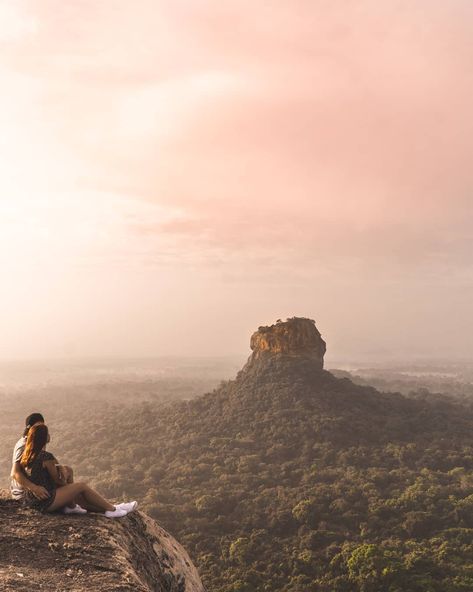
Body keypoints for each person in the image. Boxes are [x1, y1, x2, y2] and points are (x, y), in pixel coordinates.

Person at [21, 423, 137, 517]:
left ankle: (77, 506)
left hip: (32, 501)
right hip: (44, 502)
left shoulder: (27, 455)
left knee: (75, 485)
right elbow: (58, 482)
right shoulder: (46, 457)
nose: (49, 435)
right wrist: (63, 473)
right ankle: (112, 509)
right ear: (44, 438)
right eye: (48, 433)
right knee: (81, 486)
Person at [10, 413, 82, 513]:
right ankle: (69, 504)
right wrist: (34, 488)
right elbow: (15, 473)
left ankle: (69, 504)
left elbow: (44, 460)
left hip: (34, 482)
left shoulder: (36, 441)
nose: (42, 429)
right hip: (24, 491)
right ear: (30, 428)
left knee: (67, 470)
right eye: (38, 427)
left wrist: (59, 466)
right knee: (68, 481)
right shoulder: (23, 445)